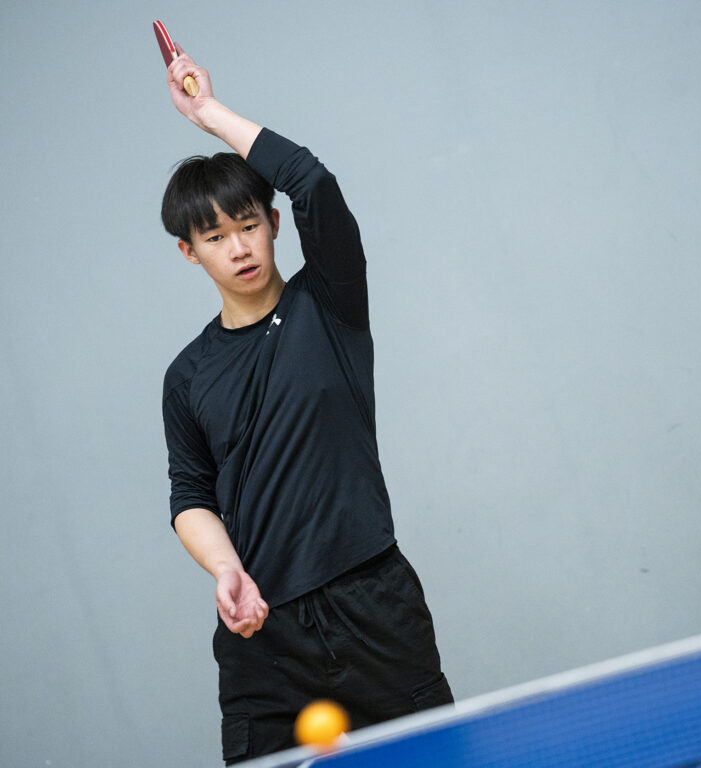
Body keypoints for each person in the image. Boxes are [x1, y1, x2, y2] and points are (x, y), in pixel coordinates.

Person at [160, 46, 453, 764]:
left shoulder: (330, 304)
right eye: (217, 236)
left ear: (275, 224)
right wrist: (226, 569)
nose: (240, 246)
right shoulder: (188, 375)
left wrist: (208, 114)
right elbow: (191, 495)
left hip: (371, 601)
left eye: (250, 223)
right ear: (190, 253)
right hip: (265, 635)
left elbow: (312, 181)